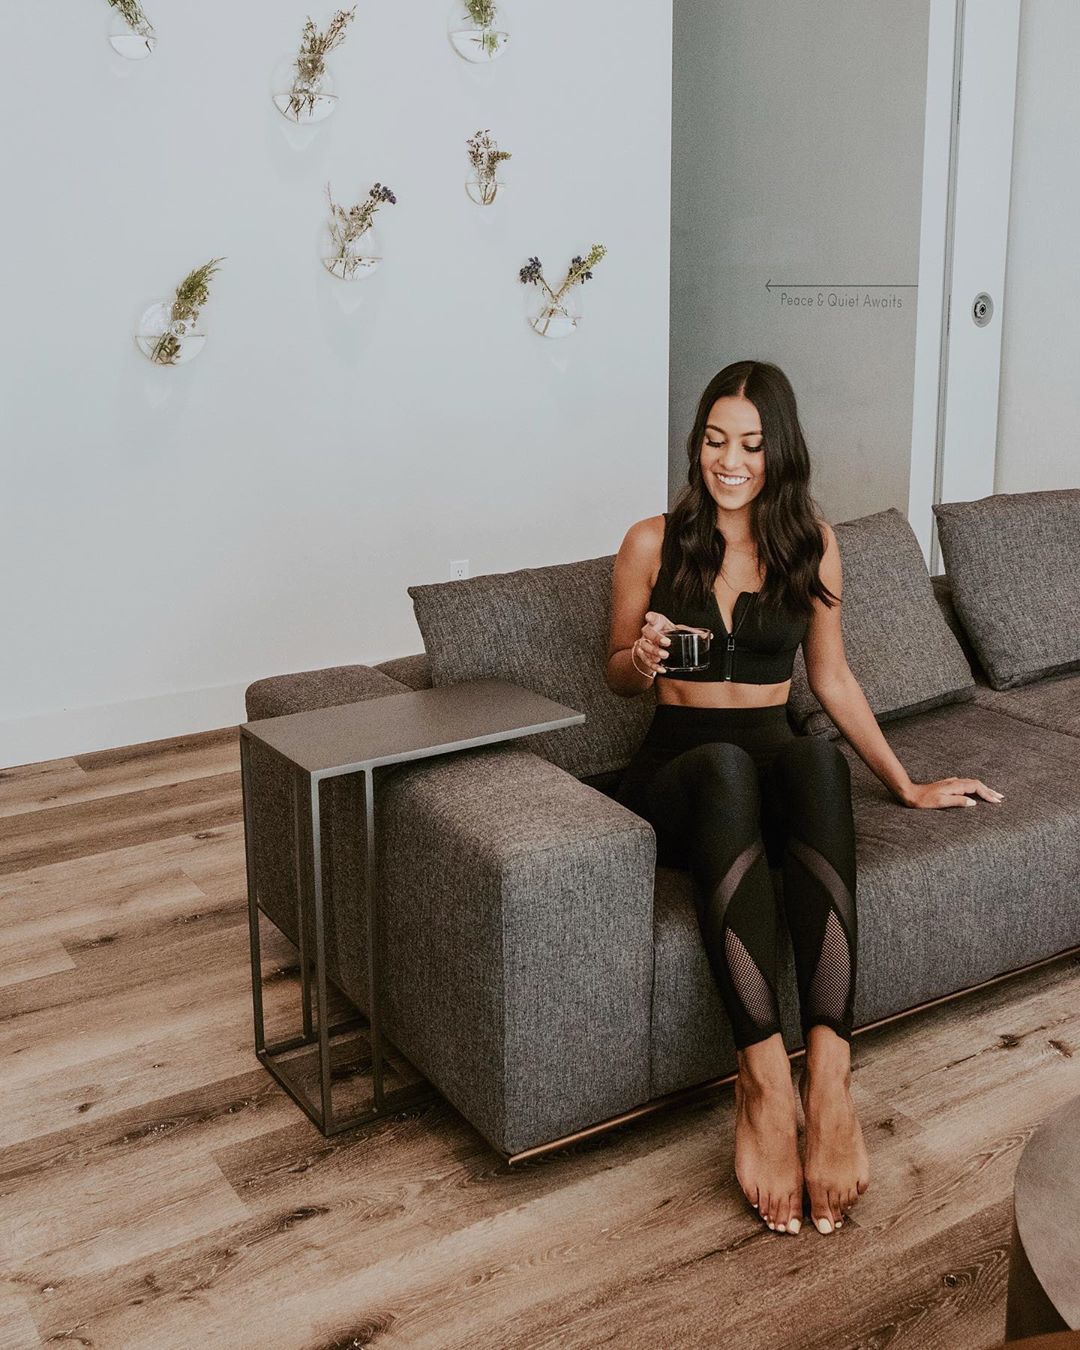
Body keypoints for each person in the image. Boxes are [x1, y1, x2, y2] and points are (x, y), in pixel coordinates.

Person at [605, 359, 1004, 1238]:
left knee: (816, 761)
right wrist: (641, 658)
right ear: (696, 445)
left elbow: (831, 679)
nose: (730, 461)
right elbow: (617, 674)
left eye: (750, 444)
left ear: (779, 450)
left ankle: (828, 1078)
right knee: (725, 768)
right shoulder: (650, 542)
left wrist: (906, 784)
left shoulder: (813, 546)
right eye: (715, 441)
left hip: (769, 757)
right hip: (681, 773)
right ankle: (761, 1080)